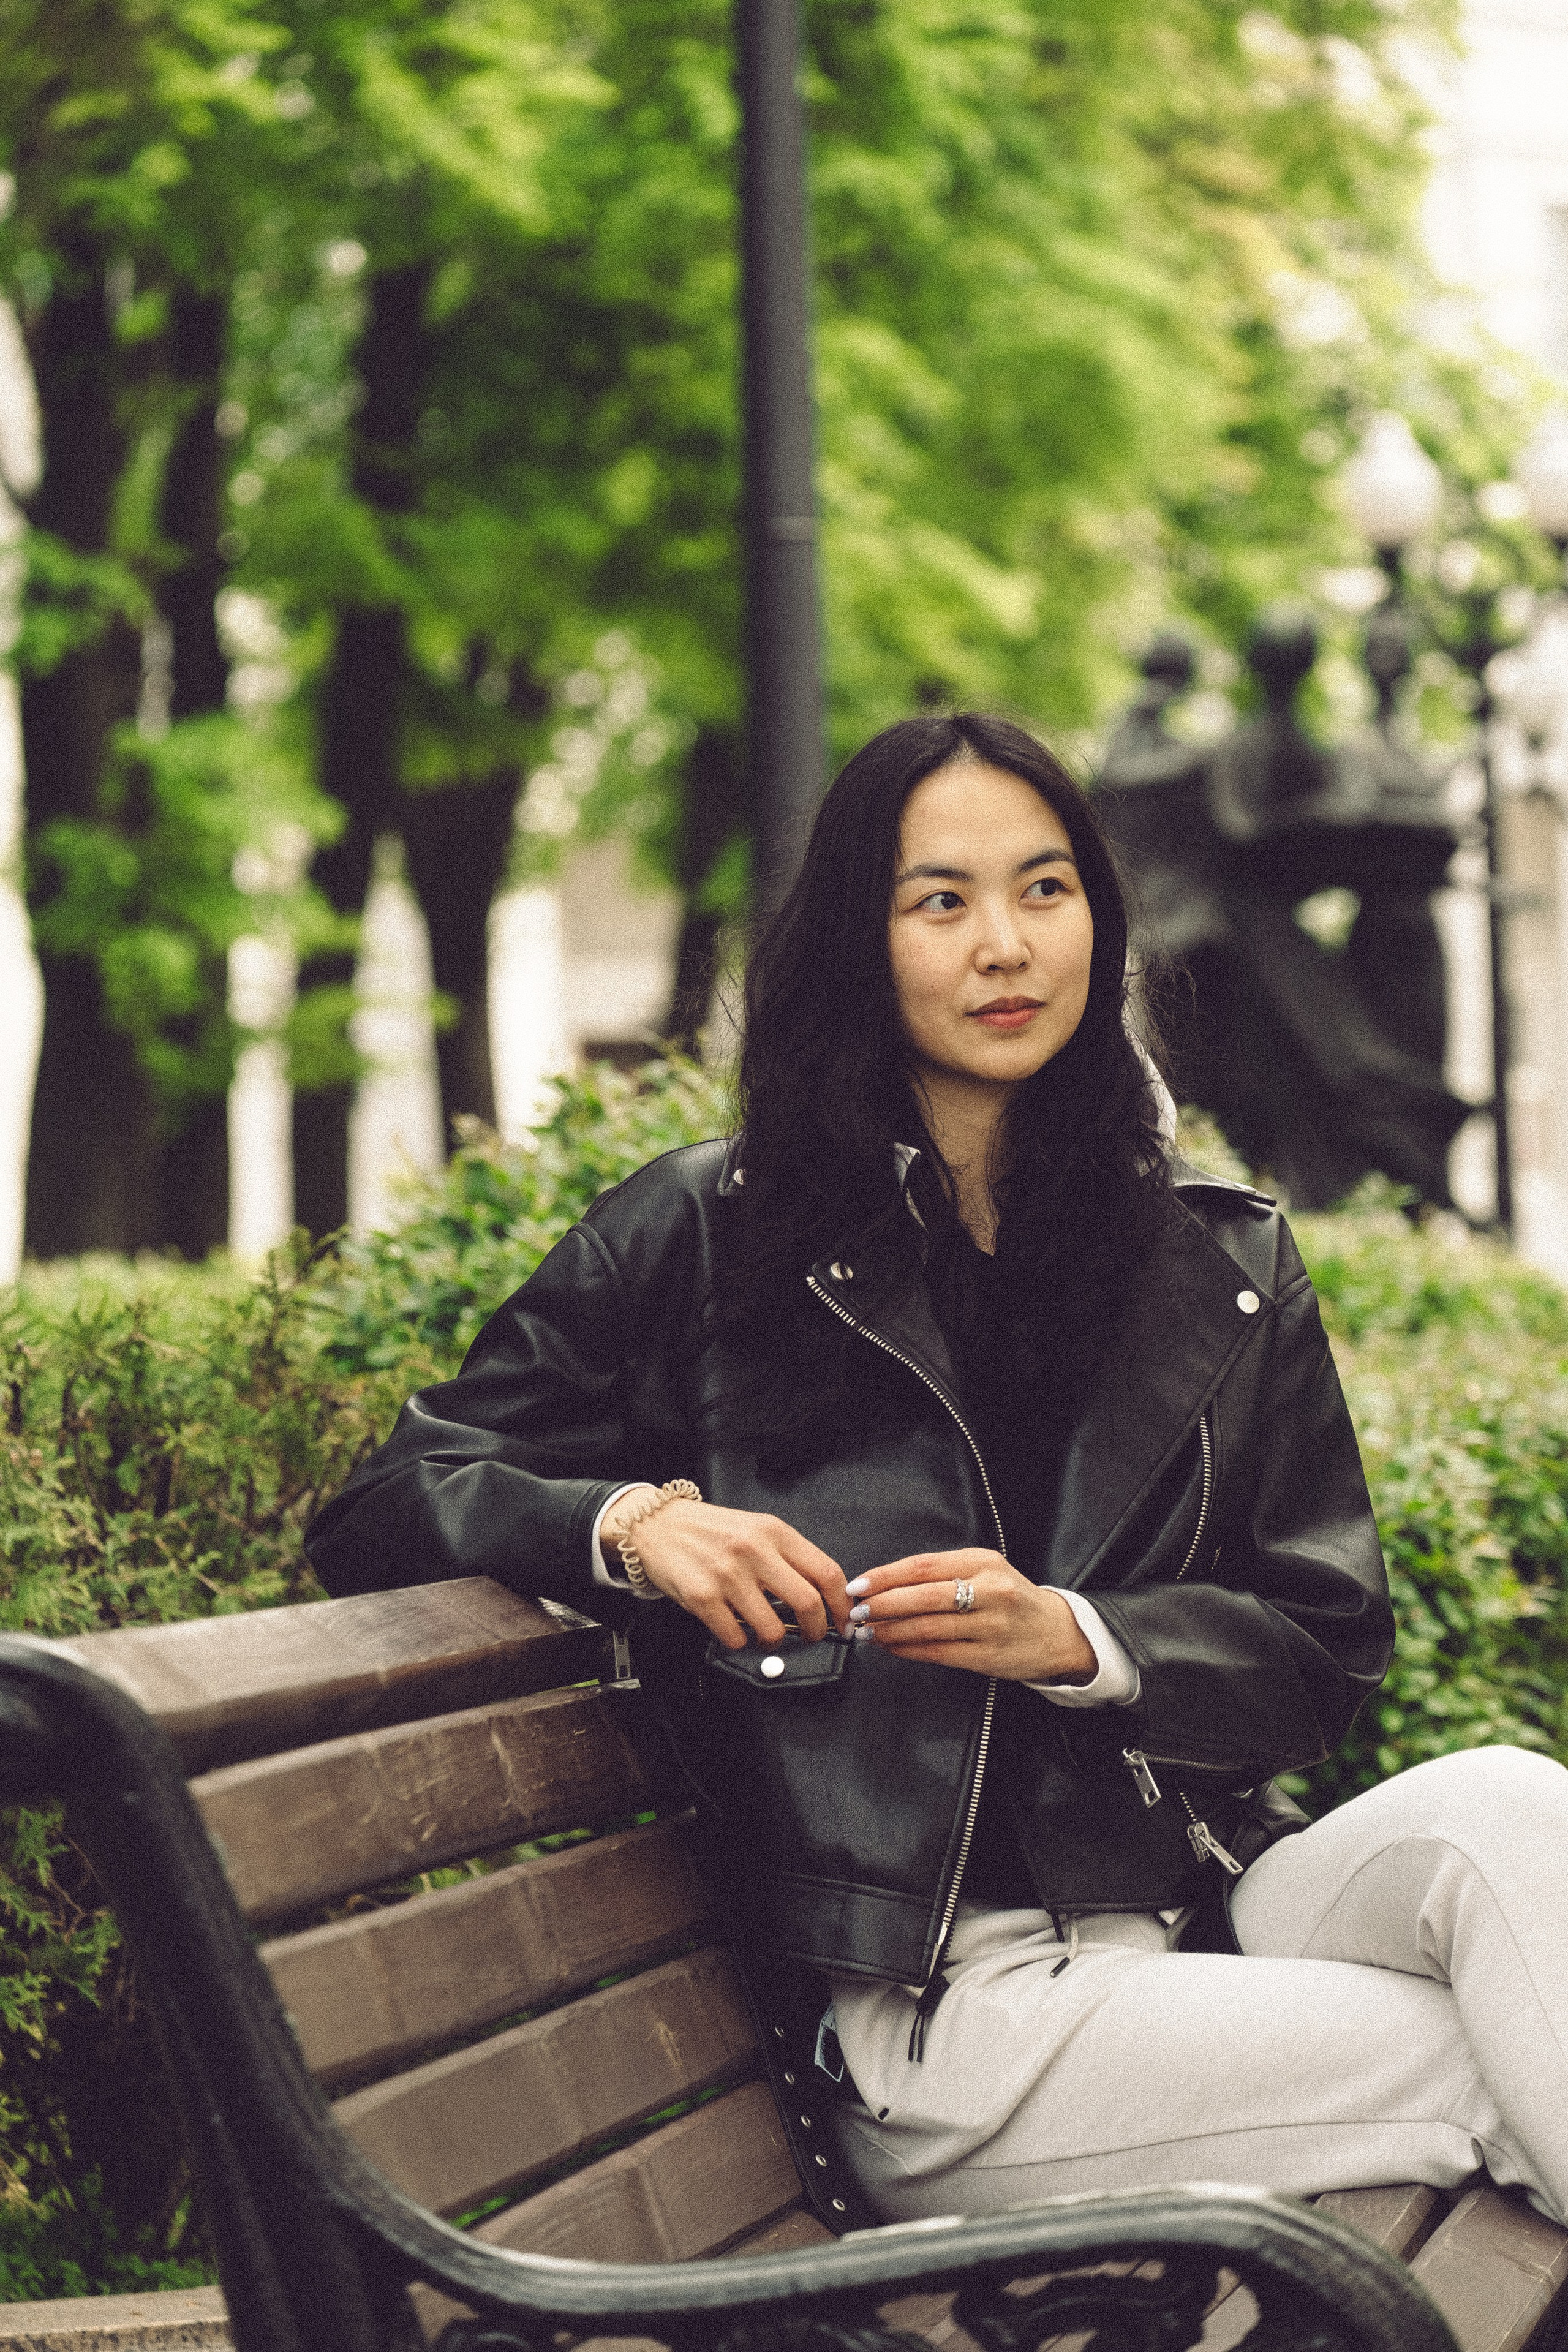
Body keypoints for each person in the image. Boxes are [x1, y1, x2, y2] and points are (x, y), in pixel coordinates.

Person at [306, 712, 1568, 2232]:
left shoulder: (1210, 1259)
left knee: (1508, 1804)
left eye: (1044, 890)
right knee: (1498, 2054)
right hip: (946, 2011)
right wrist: (630, 1526)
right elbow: (392, 1496)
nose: (1004, 947)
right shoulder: (704, 1236)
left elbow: (1322, 1644)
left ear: (1098, 922)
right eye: (939, 902)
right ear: (860, 938)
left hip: (1205, 1908)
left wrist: (1085, 1643)